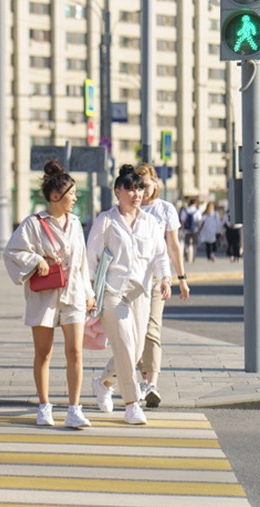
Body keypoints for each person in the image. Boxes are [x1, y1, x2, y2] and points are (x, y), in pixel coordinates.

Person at [3, 160, 95, 428]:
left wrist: (88, 292)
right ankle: (44, 406)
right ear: (56, 197)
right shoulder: (33, 223)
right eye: (71, 194)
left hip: (74, 292)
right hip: (44, 295)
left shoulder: (76, 223)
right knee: (43, 353)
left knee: (76, 351)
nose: (75, 198)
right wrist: (35, 260)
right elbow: (12, 251)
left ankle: (74, 408)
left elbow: (82, 263)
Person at [88, 165, 172, 425]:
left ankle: (102, 383)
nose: (136, 193)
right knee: (124, 344)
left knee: (135, 353)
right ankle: (132, 404)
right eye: (130, 189)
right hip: (114, 293)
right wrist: (89, 292)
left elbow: (160, 255)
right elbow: (91, 258)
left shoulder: (150, 222)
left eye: (139, 188)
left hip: (141, 293)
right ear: (118, 191)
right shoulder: (107, 220)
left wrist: (166, 278)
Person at [136, 164, 191, 408]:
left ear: (156, 183)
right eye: (138, 186)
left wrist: (182, 278)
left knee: (152, 328)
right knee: (135, 330)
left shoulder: (165, 209)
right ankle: (140, 379)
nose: (142, 191)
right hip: (133, 278)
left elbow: (174, 247)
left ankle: (152, 383)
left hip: (158, 277)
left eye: (145, 185)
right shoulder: (130, 207)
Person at [180, 198, 201, 263]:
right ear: (194, 203)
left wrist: (182, 229)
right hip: (194, 230)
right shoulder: (197, 211)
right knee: (194, 244)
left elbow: (182, 221)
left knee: (187, 243)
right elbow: (198, 221)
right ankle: (193, 258)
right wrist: (198, 228)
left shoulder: (185, 210)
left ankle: (187, 256)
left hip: (186, 230)